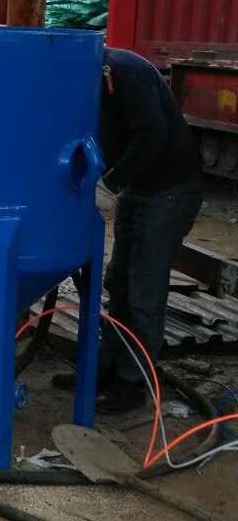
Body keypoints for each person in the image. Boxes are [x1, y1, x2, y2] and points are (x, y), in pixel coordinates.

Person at [57, 47, 203, 413]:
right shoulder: (91, 78)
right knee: (118, 281)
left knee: (144, 289)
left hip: (170, 190)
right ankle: (106, 368)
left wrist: (110, 179)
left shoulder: (125, 75)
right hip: (139, 188)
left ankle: (133, 383)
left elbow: (152, 136)